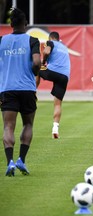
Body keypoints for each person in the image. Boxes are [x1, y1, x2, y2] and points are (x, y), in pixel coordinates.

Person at [0, 8, 41, 176]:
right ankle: (21, 160)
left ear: (10, 24)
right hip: (27, 88)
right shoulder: (32, 40)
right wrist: (33, 71)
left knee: (8, 126)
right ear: (26, 24)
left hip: (7, 88)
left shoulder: (2, 40)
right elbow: (37, 62)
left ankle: (9, 162)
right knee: (28, 124)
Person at [36, 31, 71, 139]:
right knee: (57, 104)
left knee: (36, 66)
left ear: (50, 38)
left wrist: (43, 62)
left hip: (52, 71)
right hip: (65, 76)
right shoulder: (64, 47)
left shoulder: (50, 42)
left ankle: (33, 91)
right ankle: (55, 129)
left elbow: (46, 52)